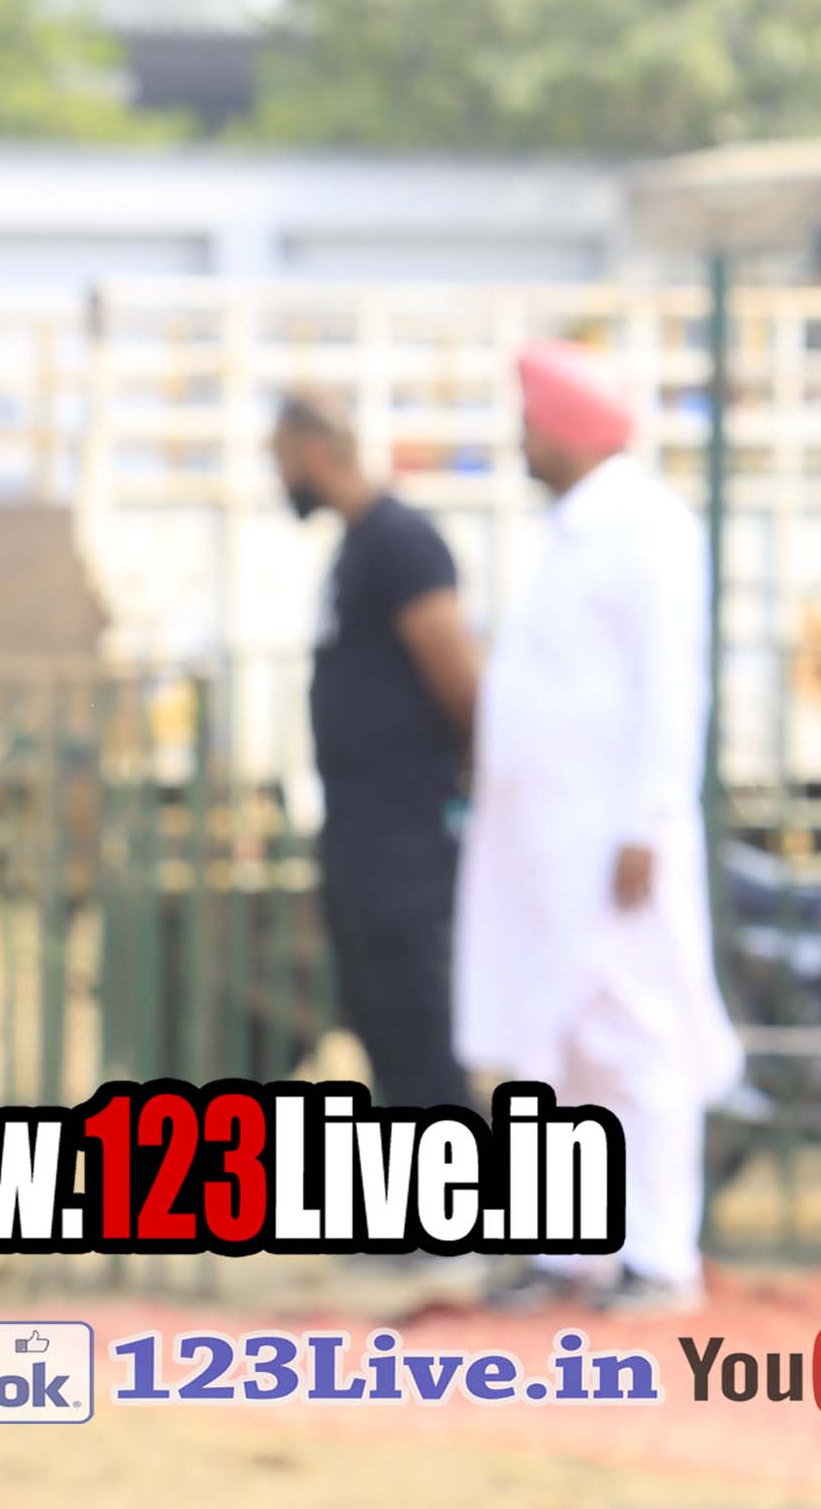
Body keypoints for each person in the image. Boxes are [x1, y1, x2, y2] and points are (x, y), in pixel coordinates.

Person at [452, 344, 741, 1313]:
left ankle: (660, 1256)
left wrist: (647, 820)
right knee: (553, 1047)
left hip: (615, 843)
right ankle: (565, 1252)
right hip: (545, 844)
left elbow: (670, 685)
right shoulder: (571, 532)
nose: (521, 442)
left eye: (530, 424)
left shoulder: (648, 528)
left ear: (564, 430)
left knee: (635, 1038)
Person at [271, 393, 478, 1115]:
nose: (281, 479)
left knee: (420, 1033)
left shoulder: (401, 540)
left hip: (404, 842)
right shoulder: (357, 546)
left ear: (315, 452)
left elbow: (459, 680)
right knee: (384, 1030)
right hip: (361, 836)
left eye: (282, 460)